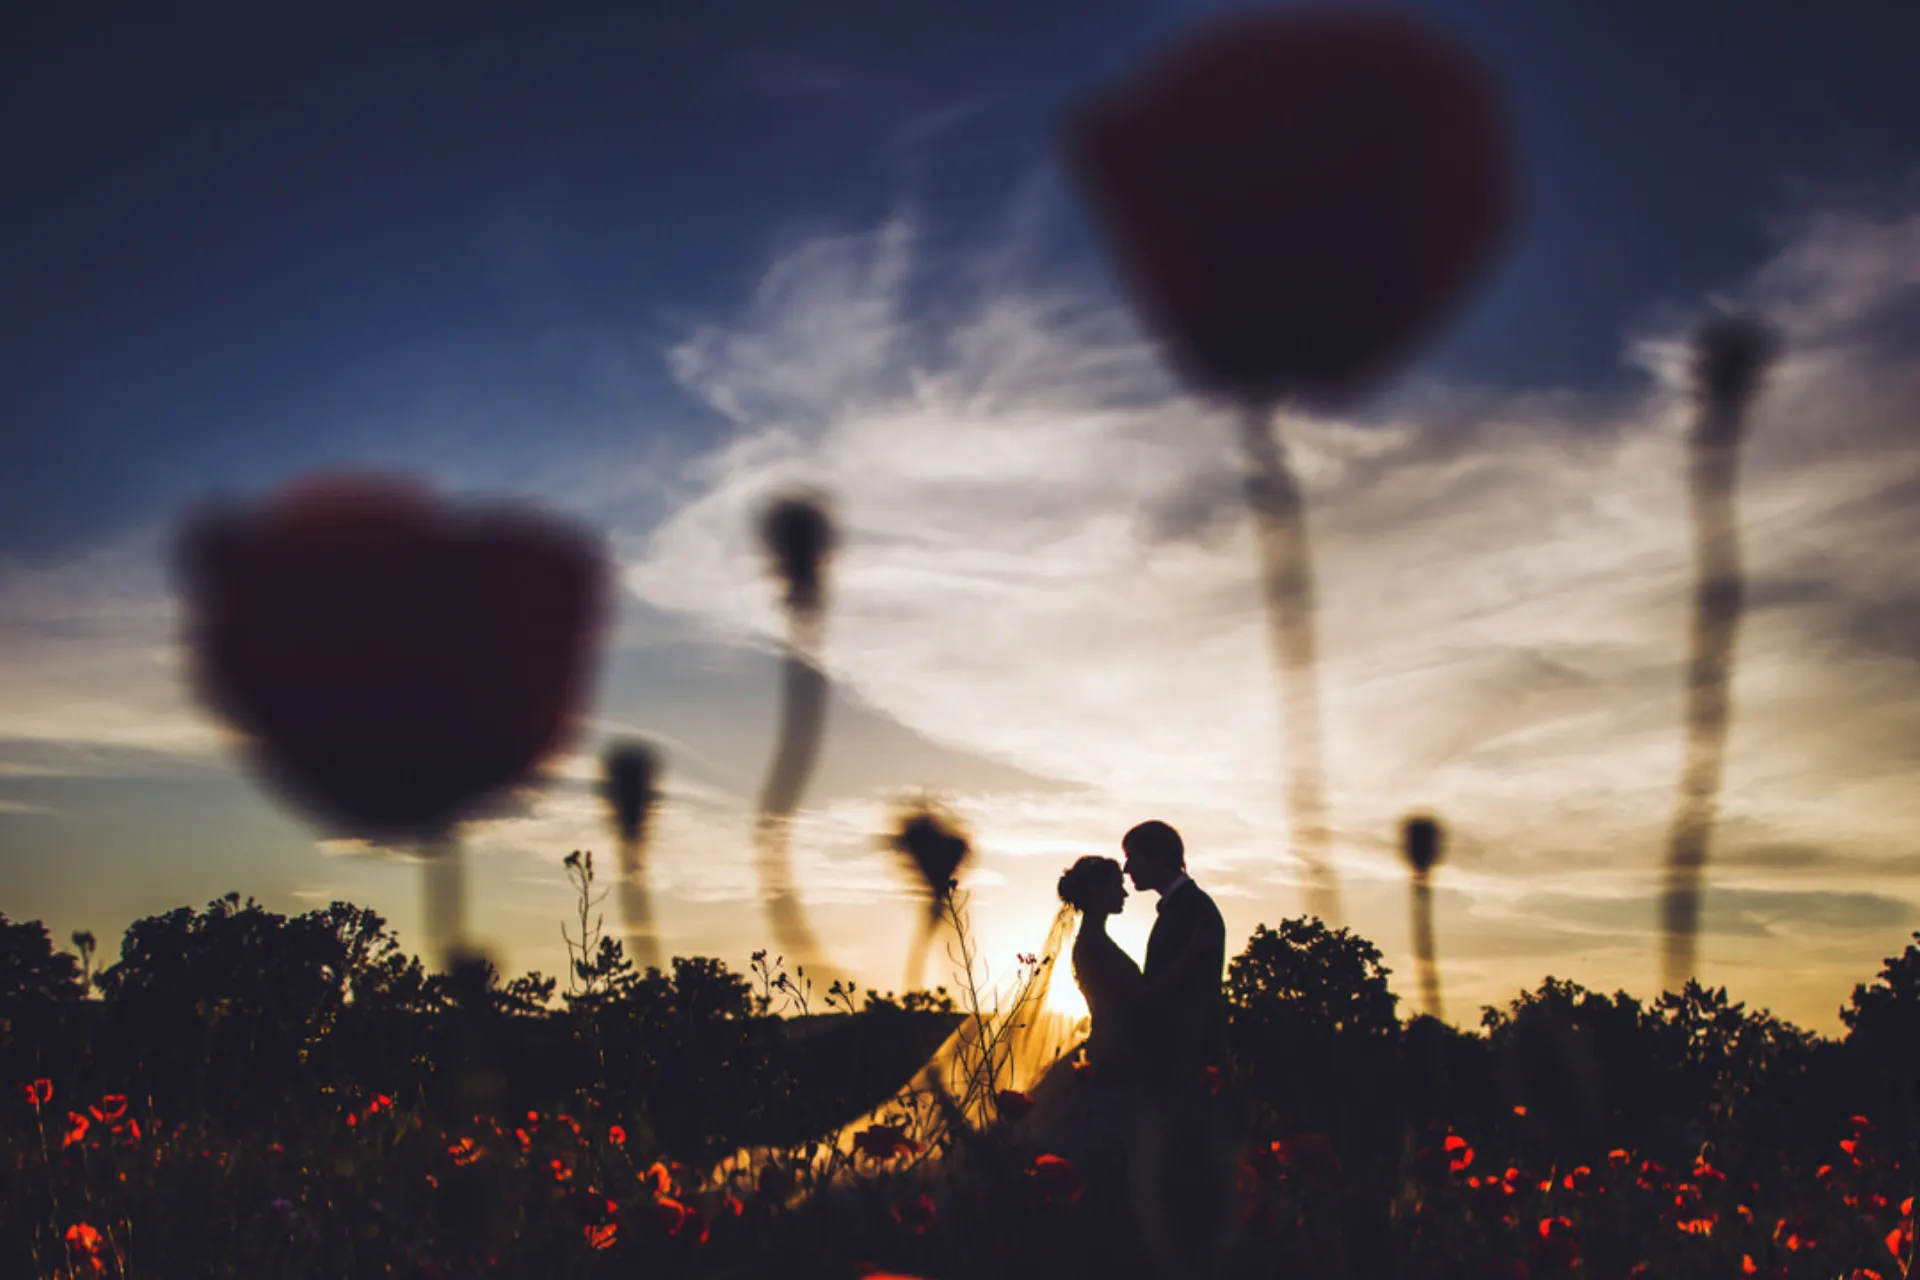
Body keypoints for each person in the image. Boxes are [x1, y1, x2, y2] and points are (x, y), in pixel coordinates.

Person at [1122, 819, 1228, 1093]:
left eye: (1132, 857)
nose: (1126, 868)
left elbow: (1190, 988)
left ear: (1158, 857)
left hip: (1186, 1062)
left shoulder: (1194, 908)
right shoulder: (1183, 906)